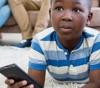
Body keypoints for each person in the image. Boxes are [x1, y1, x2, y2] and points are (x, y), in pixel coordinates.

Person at [5, 0, 100, 88]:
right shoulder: (40, 41)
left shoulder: (96, 40)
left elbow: (96, 83)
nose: (66, 16)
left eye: (76, 10)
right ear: (50, 15)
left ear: (88, 18)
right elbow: (35, 85)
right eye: (59, 9)